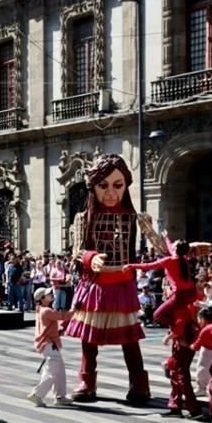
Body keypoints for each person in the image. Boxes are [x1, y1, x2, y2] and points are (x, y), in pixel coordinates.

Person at [63, 153, 150, 404]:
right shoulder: (83, 219)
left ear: (126, 186)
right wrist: (91, 258)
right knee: (89, 339)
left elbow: (160, 243)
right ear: (93, 187)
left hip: (121, 284)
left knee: (130, 339)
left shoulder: (135, 217)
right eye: (104, 186)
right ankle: (86, 381)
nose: (111, 193)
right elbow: (76, 251)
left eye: (117, 185)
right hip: (95, 284)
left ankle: (139, 383)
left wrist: (184, 249)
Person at [126, 240, 197, 331]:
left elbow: (148, 265)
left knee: (157, 315)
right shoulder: (183, 259)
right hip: (191, 293)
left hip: (180, 295)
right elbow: (171, 249)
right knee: (177, 313)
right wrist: (166, 237)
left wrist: (130, 266)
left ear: (176, 248)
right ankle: (186, 324)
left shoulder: (169, 260)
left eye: (174, 244)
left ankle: (178, 327)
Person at [27, 287, 74, 407]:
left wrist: (57, 332)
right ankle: (37, 394)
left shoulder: (41, 309)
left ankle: (60, 396)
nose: (51, 294)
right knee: (53, 372)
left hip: (48, 343)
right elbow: (64, 316)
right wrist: (75, 309)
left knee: (58, 370)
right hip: (49, 344)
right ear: (42, 299)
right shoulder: (46, 311)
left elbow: (47, 326)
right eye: (48, 294)